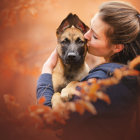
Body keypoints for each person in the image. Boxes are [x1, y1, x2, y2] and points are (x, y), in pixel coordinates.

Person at [36, 1, 140, 140]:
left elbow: (51, 120)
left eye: (95, 36)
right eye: (89, 28)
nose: (86, 36)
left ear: (117, 47)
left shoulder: (103, 82)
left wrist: (46, 70)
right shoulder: (125, 74)